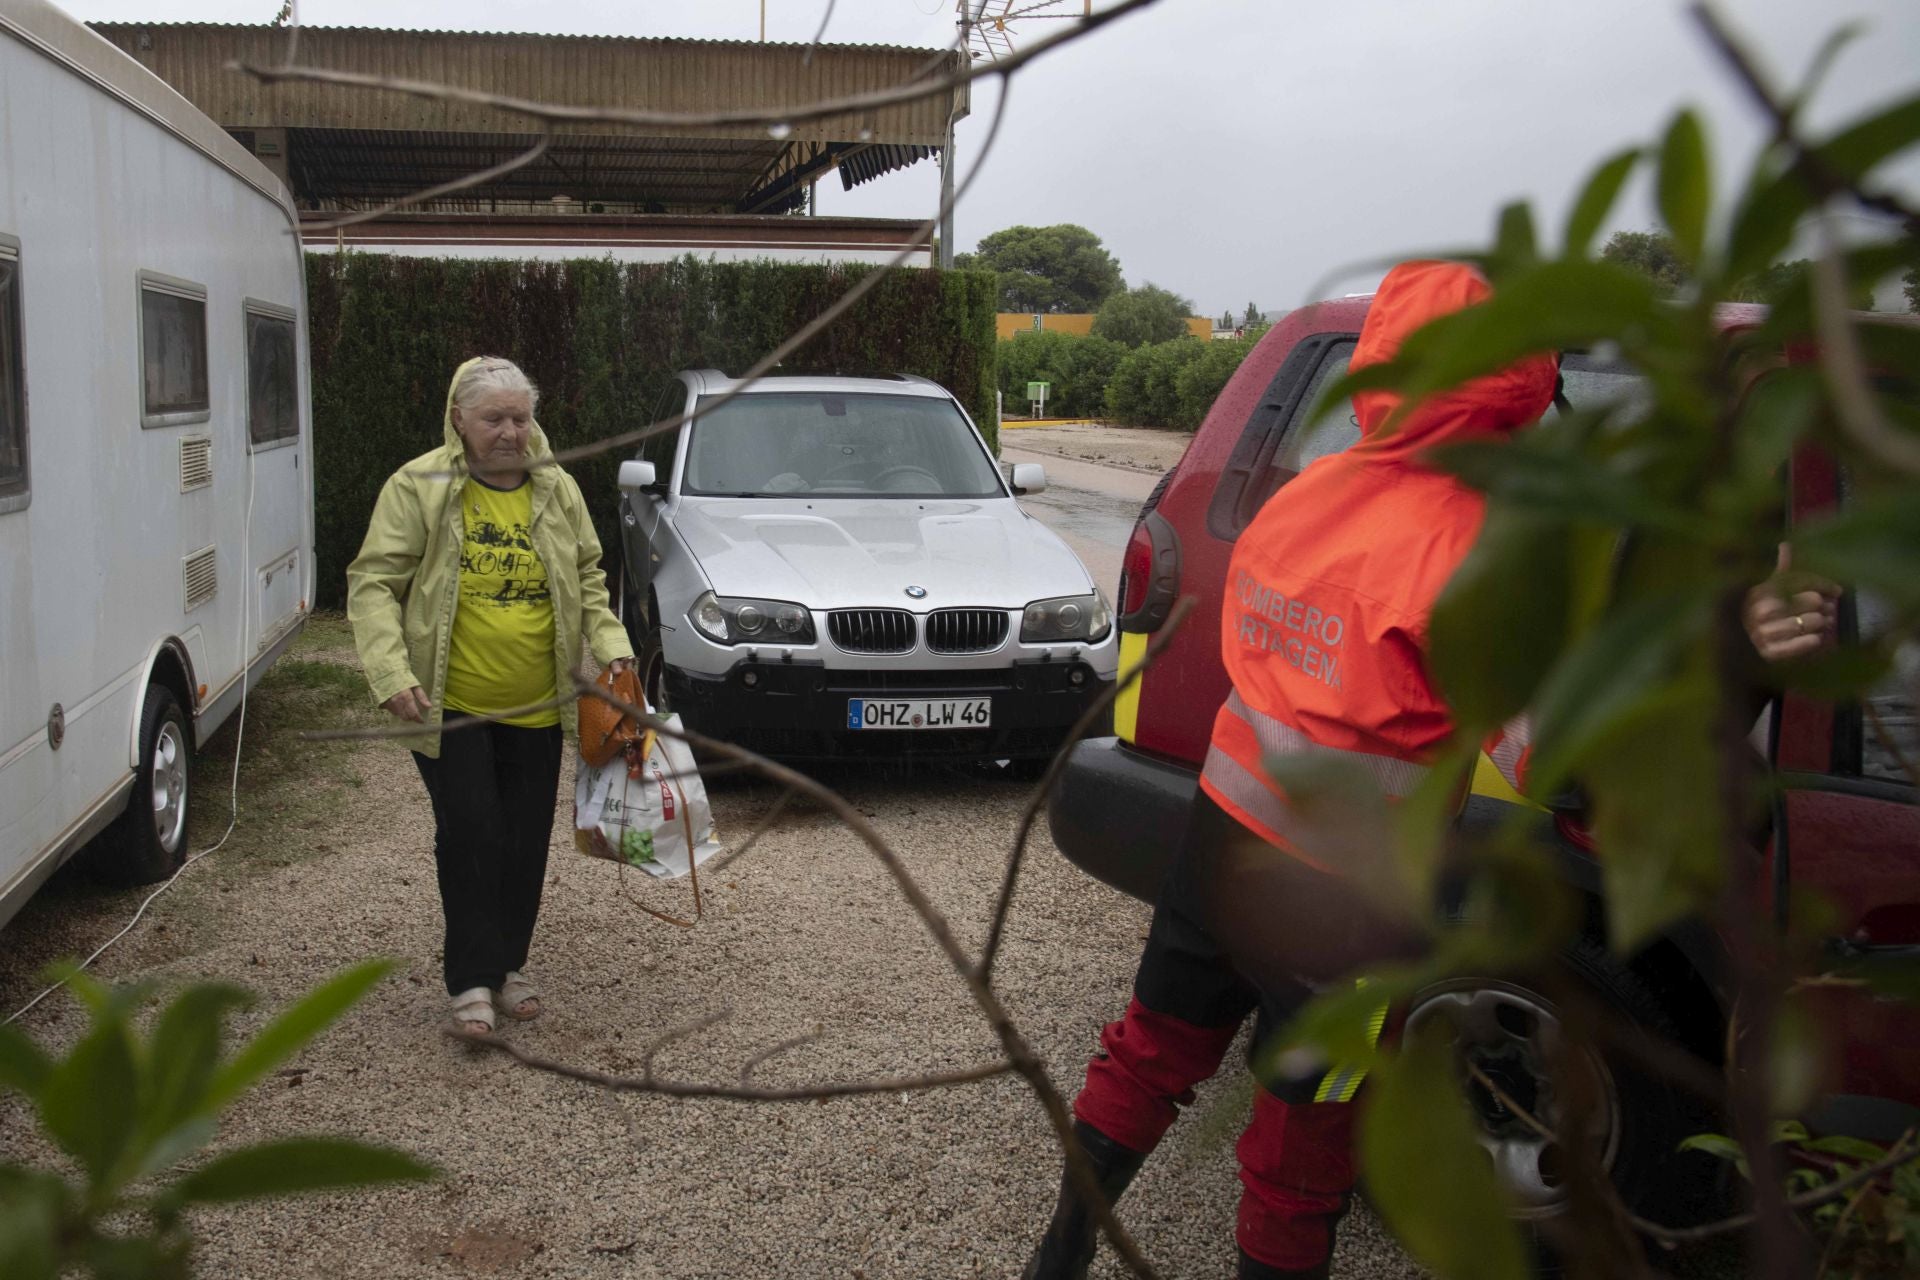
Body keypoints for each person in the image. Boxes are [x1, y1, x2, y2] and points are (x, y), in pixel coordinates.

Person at [1024, 262, 1561, 1280]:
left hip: (1218, 846)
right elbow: (1544, 758)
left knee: (1148, 1051)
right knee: (1302, 1145)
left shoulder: (1309, 493)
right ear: (1517, 381)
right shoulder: (1484, 548)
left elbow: (1252, 656)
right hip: (1350, 902)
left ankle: (1056, 1259)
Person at [348, 356, 634, 1036]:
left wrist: (614, 647)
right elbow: (374, 582)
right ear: (459, 419)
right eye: (493, 419)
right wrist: (391, 673)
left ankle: (507, 965)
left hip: (537, 705)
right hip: (451, 705)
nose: (510, 432)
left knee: (524, 839)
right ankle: (472, 982)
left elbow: (588, 576)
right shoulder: (418, 486)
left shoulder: (557, 488)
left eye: (520, 418)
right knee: (472, 830)